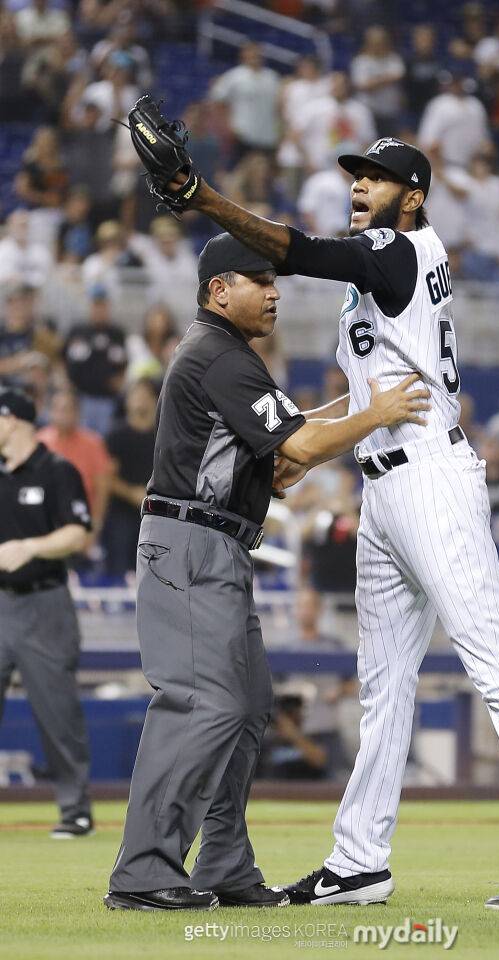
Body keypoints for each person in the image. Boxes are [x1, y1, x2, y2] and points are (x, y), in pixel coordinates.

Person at [171, 134, 499, 911]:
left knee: (495, 663)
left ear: (414, 196)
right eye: (357, 175)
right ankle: (360, 860)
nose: (361, 185)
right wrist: (313, 445)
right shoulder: (389, 267)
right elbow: (387, 376)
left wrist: (201, 196)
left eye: (379, 177)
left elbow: (293, 250)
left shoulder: (398, 250)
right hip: (385, 486)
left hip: (430, 477)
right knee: (383, 685)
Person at [103, 232, 428, 911]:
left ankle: (223, 866)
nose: (275, 291)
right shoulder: (218, 356)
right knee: (203, 703)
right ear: (220, 290)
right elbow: (300, 444)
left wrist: (340, 418)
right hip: (189, 546)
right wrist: (376, 414)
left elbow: (280, 451)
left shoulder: (227, 356)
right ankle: (143, 872)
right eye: (261, 279)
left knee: (247, 707)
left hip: (216, 544)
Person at [0, 386, 93, 838]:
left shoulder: (57, 470)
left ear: (12, 419)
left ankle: (75, 810)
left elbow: (78, 533)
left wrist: (30, 547)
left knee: (58, 713)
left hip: (45, 602)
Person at [38, 389, 113, 549]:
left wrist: (94, 527)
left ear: (77, 413)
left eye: (68, 409)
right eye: (58, 409)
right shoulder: (39, 442)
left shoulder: (93, 443)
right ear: (50, 411)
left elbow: (102, 489)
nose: (62, 415)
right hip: (44, 525)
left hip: (80, 522)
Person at [102, 379, 157, 577]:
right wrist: (132, 493)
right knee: (118, 571)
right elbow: (106, 477)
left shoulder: (163, 435)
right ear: (127, 401)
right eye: (136, 395)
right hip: (122, 513)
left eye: (146, 395)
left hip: (156, 513)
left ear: (155, 400)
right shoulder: (116, 435)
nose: (141, 400)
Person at [62, 285, 127, 435]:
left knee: (103, 440)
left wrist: (120, 379)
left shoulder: (116, 333)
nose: (98, 309)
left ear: (108, 306)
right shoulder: (77, 331)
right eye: (95, 305)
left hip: (107, 398)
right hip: (80, 397)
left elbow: (124, 361)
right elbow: (61, 358)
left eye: (102, 305)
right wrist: (65, 382)